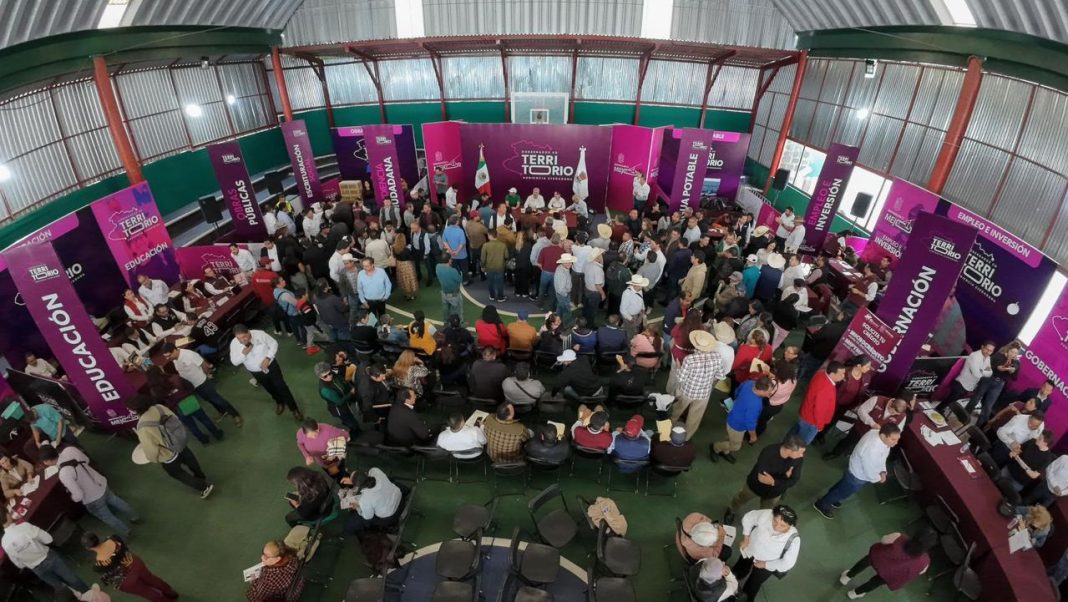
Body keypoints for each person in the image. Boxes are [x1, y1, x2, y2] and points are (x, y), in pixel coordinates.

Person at [40, 446, 139, 539]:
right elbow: (86, 460)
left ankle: (127, 532)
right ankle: (135, 516)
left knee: (108, 517)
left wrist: (72, 497)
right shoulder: (69, 449)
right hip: (100, 483)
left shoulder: (63, 474)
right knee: (116, 501)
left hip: (92, 498)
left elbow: (79, 495)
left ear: (48, 461)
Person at [128, 395, 214, 499]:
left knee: (177, 473)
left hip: (168, 454)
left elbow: (151, 449)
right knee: (191, 461)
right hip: (179, 442)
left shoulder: (142, 427)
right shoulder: (159, 407)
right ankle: (201, 477)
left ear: (135, 410)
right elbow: (175, 418)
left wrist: (153, 459)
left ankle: (203, 487)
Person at [813, 424, 902, 519]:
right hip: (858, 475)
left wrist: (883, 470)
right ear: (883, 436)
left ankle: (832, 498)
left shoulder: (878, 435)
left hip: (855, 470)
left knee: (842, 486)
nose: (896, 442)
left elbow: (882, 457)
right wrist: (879, 478)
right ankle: (822, 504)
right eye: (893, 439)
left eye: (897, 439)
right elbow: (869, 469)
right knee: (843, 491)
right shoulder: (872, 448)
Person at [724, 435, 806, 525]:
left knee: (766, 512)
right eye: (800, 452)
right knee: (740, 499)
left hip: (774, 493)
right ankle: (731, 510)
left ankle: (759, 523)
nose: (802, 455)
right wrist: (785, 476)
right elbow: (762, 478)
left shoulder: (798, 459)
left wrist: (774, 481)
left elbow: (794, 479)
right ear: (790, 450)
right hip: (755, 486)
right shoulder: (769, 453)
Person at [229, 325, 303, 420]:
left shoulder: (260, 334)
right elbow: (234, 362)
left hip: (271, 367)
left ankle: (294, 409)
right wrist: (244, 354)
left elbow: (274, 344)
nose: (242, 340)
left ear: (249, 332)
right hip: (256, 372)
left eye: (244, 337)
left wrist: (268, 358)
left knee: (281, 387)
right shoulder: (234, 344)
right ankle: (279, 402)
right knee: (269, 388)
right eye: (239, 338)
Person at [161, 343, 243, 427]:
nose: (168, 358)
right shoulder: (174, 359)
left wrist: (208, 376)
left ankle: (235, 415)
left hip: (202, 383)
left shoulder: (189, 355)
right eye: (166, 357)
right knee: (210, 400)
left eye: (169, 355)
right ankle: (222, 412)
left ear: (175, 350)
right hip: (194, 386)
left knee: (218, 399)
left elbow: (204, 365)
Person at [838, 529, 936, 599]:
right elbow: (920, 572)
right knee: (875, 583)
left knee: (865, 561)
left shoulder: (899, 537)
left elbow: (883, 540)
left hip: (878, 559)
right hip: (890, 574)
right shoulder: (925, 561)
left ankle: (847, 576)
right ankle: (855, 593)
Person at [2, 515, 89, 592]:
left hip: (37, 569)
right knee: (72, 578)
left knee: (60, 587)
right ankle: (90, 595)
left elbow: (19, 565)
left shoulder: (4, 542)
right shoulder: (24, 527)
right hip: (49, 558)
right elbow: (48, 539)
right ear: (8, 515)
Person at [81, 532, 176, 602]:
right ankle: (171, 592)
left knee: (145, 591)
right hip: (135, 562)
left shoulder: (98, 566)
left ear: (88, 548)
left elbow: (110, 576)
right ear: (97, 537)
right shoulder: (114, 538)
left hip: (127, 579)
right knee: (151, 578)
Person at [733, 505, 800, 600]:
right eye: (775, 521)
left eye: (782, 525)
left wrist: (765, 564)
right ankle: (733, 579)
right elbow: (749, 518)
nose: (776, 527)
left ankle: (744, 598)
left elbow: (788, 563)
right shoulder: (767, 514)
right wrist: (746, 538)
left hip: (768, 563)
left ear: (790, 526)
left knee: (753, 584)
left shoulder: (794, 539)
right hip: (750, 549)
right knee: (740, 568)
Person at [671, 331, 728, 440]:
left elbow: (681, 378)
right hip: (704, 394)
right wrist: (708, 379)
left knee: (677, 410)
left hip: (687, 391)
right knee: (694, 418)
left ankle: (670, 428)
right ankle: (686, 438)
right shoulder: (717, 356)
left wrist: (678, 367)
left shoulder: (690, 359)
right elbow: (720, 376)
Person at [826, 392, 914, 460]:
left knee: (862, 450)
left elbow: (898, 430)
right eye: (893, 412)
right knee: (848, 442)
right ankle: (834, 453)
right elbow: (861, 410)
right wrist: (872, 423)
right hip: (860, 429)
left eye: (896, 414)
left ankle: (851, 458)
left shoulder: (902, 416)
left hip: (874, 438)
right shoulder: (877, 399)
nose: (894, 414)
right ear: (891, 404)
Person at [712, 376, 774, 464]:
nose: (769, 395)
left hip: (733, 416)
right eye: (768, 392)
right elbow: (750, 423)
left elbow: (737, 391)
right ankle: (716, 448)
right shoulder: (755, 404)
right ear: (760, 390)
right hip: (737, 426)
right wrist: (753, 436)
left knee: (730, 437)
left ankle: (725, 451)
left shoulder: (749, 383)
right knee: (735, 446)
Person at [788, 361, 846, 445]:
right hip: (811, 421)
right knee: (800, 444)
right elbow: (819, 410)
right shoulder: (827, 388)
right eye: (841, 374)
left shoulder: (821, 374)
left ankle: (784, 446)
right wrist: (820, 425)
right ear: (832, 374)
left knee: (794, 434)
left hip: (805, 413)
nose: (843, 376)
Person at [342, 467, 404, 535]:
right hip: (400, 498)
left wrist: (357, 508)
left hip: (391, 515)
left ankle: (389, 527)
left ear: (358, 486)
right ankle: (407, 491)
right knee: (391, 481)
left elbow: (368, 517)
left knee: (358, 520)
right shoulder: (375, 471)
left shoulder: (365, 499)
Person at [972, 342, 1021, 426]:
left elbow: (1015, 378)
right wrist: (997, 368)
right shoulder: (999, 355)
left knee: (988, 407)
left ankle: (977, 427)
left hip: (999, 384)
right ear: (1008, 350)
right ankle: (963, 417)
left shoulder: (1016, 363)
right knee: (976, 398)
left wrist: (1012, 371)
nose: (1013, 354)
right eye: (1012, 352)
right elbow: (988, 365)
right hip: (989, 378)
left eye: (1016, 353)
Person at [1004, 428, 1054, 493]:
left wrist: (1020, 461)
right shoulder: (1032, 441)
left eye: (1040, 438)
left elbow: (1034, 475)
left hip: (1019, 481)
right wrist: (1014, 452)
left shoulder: (1047, 458)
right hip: (1010, 469)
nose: (1037, 438)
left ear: (1045, 443)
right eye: (1039, 436)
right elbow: (1019, 450)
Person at [481, 228, 509, 302]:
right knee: (500, 283)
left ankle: (492, 296)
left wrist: (482, 266)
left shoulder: (485, 245)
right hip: (500, 267)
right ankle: (500, 297)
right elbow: (506, 256)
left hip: (489, 267)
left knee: (490, 282)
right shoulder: (503, 245)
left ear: (490, 235)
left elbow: (483, 258)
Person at [437, 256, 464, 323]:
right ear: (449, 260)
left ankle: (445, 322)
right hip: (454, 294)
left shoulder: (438, 267)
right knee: (456, 310)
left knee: (445, 309)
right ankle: (458, 322)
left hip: (444, 292)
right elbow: (460, 280)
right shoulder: (453, 271)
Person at [554, 253, 576, 325]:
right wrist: (566, 294)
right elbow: (561, 289)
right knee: (567, 310)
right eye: (567, 262)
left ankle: (557, 321)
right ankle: (567, 324)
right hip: (563, 294)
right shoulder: (562, 273)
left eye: (570, 262)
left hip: (561, 294)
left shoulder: (562, 267)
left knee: (560, 308)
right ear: (563, 262)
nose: (570, 264)